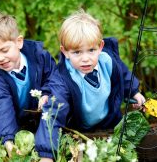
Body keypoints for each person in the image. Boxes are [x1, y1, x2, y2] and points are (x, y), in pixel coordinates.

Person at [35, 9, 146, 161]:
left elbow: (124, 76)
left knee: (117, 152)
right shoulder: (63, 78)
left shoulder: (108, 61)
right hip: (79, 128)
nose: (85, 59)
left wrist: (134, 92)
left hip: (109, 122)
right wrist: (46, 154)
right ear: (65, 52)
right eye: (77, 52)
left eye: (91, 50)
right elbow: (54, 111)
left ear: (100, 47)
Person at [0, 10, 55, 157]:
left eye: (4, 50)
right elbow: (1, 102)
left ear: (19, 42)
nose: (0, 58)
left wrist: (46, 94)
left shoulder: (40, 58)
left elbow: (54, 79)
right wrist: (7, 139)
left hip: (39, 123)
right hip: (10, 123)